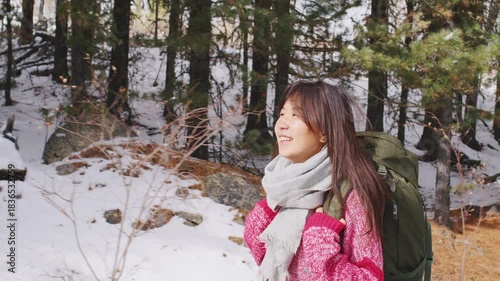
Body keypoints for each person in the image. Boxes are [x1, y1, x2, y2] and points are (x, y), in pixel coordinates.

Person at [244, 80, 388, 281]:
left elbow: (370, 277)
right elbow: (273, 261)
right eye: (282, 114)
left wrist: (320, 244)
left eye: (296, 115)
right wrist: (262, 216)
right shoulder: (287, 186)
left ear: (324, 133)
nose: (282, 124)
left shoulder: (352, 195)